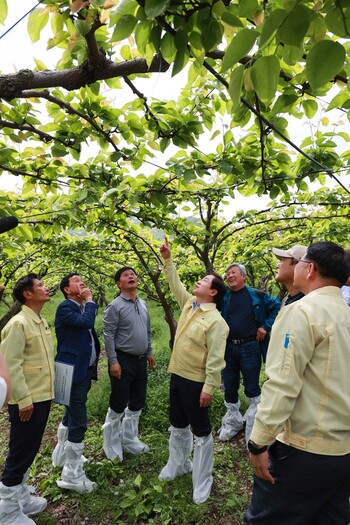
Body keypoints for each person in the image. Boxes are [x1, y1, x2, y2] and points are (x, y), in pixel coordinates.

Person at [244, 241, 350, 525]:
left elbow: (283, 384)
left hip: (304, 448)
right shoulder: (346, 313)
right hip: (342, 451)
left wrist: (259, 443)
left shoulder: (303, 312)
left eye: (301, 261)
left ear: (310, 269)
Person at [158, 238, 229, 505]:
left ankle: (203, 479)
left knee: (201, 431)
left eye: (203, 280)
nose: (198, 282)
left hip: (196, 382)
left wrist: (209, 388)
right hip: (177, 375)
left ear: (213, 293)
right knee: (177, 423)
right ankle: (178, 464)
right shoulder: (190, 305)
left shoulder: (216, 322)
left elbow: (215, 360)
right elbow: (174, 283)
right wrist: (168, 260)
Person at [0, 274, 54, 525]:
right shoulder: (18, 323)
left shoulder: (39, 321)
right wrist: (22, 399)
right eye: (40, 286)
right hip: (28, 398)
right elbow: (11, 364)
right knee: (20, 451)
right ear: (27, 295)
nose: (46, 287)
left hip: (41, 395)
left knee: (30, 448)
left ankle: (20, 496)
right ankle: (7, 510)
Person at [218, 263, 280, 445]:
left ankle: (254, 428)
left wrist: (265, 327)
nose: (230, 276)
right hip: (229, 348)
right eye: (228, 273)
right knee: (229, 385)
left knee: (252, 386)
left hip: (250, 347)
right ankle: (233, 422)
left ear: (243, 276)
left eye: (233, 273)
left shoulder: (256, 295)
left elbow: (276, 306)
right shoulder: (226, 297)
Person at [52, 273, 100, 493]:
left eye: (83, 279)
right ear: (66, 290)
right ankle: (72, 473)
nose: (82, 282)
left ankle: (63, 455)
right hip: (71, 370)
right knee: (78, 416)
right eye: (76, 280)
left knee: (71, 411)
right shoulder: (66, 307)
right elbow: (86, 323)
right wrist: (90, 300)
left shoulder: (78, 308)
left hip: (80, 369)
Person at [102, 266, 154, 462]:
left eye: (133, 274)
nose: (131, 276)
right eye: (126, 275)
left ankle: (129, 439)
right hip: (123, 360)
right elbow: (108, 335)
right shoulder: (115, 306)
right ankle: (111, 444)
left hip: (140, 361)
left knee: (137, 401)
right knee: (118, 402)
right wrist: (113, 361)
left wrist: (149, 351)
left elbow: (147, 330)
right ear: (119, 283)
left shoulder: (142, 303)